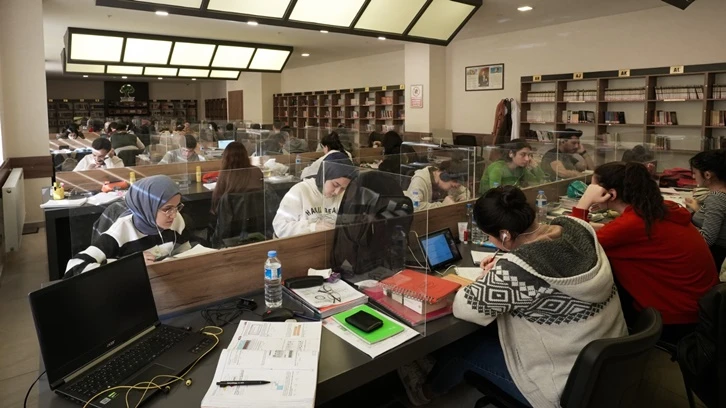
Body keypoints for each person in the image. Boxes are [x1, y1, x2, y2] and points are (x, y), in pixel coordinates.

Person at [398, 186, 626, 407]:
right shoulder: (578, 229)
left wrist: (501, 273)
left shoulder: (517, 270)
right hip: (610, 367)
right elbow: (550, 256)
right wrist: (507, 263)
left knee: (464, 349)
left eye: (490, 237)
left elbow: (464, 306)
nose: (491, 241)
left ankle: (421, 394)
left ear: (505, 235)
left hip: (562, 386)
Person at [572, 161, 717, 342]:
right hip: (698, 308)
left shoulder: (632, 224)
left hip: (673, 319)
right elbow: (627, 233)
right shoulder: (658, 210)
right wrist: (596, 227)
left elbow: (572, 246)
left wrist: (584, 202)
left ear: (611, 194)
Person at [64, 175, 190, 277]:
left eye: (177, 207)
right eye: (167, 209)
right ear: (147, 207)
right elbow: (74, 267)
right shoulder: (120, 232)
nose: (174, 214)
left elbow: (186, 251)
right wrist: (132, 265)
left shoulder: (175, 220)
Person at [273, 152, 357, 238]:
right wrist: (313, 227)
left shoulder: (342, 194)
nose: (337, 192)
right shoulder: (299, 191)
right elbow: (280, 227)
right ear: (324, 176)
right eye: (335, 185)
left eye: (343, 188)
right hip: (304, 243)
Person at [686, 149, 726, 268]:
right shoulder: (719, 196)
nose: (693, 176)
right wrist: (697, 208)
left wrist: (683, 226)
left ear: (707, 175)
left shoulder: (717, 198)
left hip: (714, 258)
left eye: (695, 173)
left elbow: (707, 239)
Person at [210, 142, 264, 214]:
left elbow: (217, 199)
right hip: (256, 215)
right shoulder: (256, 170)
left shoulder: (226, 174)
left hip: (232, 217)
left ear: (226, 157)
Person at [480, 138, 545, 192]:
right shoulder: (497, 168)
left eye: (529, 155)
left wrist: (535, 166)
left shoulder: (521, 168)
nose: (527, 159)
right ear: (511, 153)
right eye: (523, 154)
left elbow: (538, 184)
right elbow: (495, 194)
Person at [405, 160, 469, 210]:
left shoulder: (449, 184)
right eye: (455, 181)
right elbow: (414, 206)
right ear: (443, 176)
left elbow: (465, 191)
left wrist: (463, 198)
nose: (456, 185)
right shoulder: (419, 180)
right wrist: (441, 206)